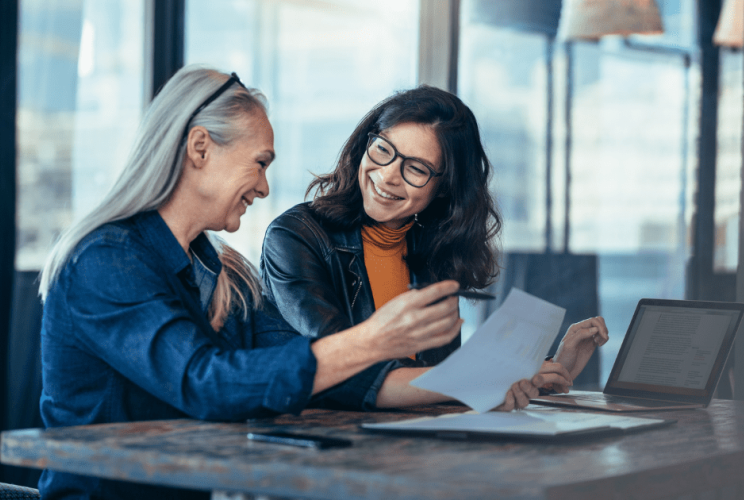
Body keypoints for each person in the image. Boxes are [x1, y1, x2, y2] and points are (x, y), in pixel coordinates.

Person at [36, 67, 548, 500]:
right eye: (259, 164)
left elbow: (302, 372)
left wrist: (485, 384)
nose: (262, 187)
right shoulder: (105, 260)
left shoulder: (225, 272)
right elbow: (204, 384)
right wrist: (374, 340)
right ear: (199, 148)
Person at [260, 85, 609, 408]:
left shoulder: (434, 251)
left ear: (444, 188)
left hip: (412, 442)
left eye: (417, 168)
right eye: (383, 149)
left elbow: (441, 379)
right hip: (326, 444)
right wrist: (484, 380)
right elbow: (342, 366)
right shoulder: (296, 236)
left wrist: (545, 371)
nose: (388, 175)